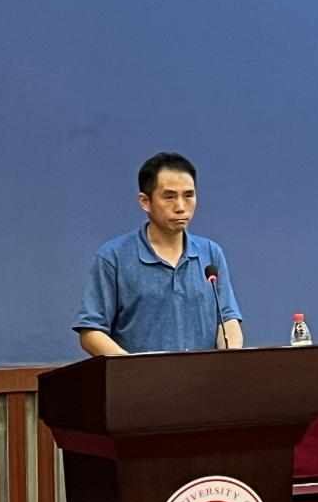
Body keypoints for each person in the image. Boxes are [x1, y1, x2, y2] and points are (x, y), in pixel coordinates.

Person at [73, 152, 243, 355]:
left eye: (188, 195)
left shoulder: (210, 253)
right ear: (145, 201)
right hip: (139, 375)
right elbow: (91, 332)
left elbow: (228, 320)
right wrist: (133, 368)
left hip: (204, 375)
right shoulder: (113, 257)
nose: (181, 207)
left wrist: (229, 359)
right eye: (169, 197)